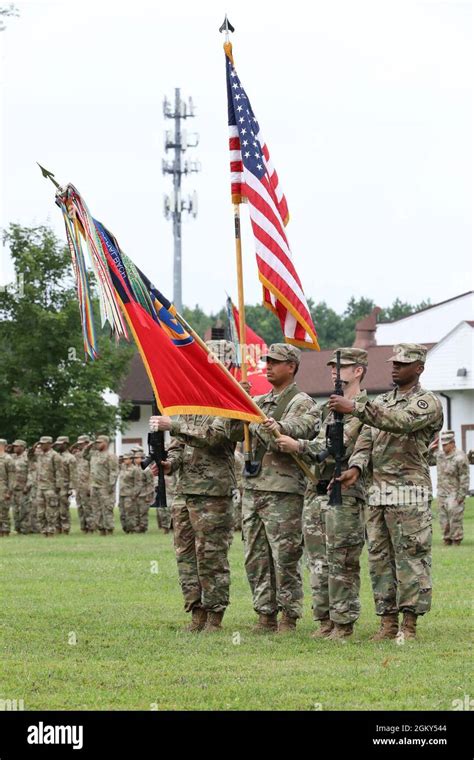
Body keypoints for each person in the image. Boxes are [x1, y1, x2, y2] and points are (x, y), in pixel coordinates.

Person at [329, 343, 443, 641]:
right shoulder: (382, 400)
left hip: (409, 492)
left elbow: (401, 424)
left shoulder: (426, 402)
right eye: (393, 362)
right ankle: (387, 622)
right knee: (380, 558)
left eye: (403, 363)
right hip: (377, 492)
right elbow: (367, 439)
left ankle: (409, 625)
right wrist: (355, 468)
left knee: (411, 556)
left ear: (418, 368)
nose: (395, 367)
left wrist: (355, 407)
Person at [276, 348, 368, 640]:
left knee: (342, 560)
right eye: (331, 367)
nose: (334, 371)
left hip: (345, 491)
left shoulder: (363, 409)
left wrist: (298, 446)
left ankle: (343, 623)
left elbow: (340, 446)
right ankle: (325, 620)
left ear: (358, 371)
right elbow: (319, 443)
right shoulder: (329, 410)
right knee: (317, 560)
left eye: (342, 367)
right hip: (317, 492)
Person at [149, 339, 238, 633]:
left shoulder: (230, 399)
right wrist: (168, 464)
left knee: (211, 555)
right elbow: (178, 446)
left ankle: (215, 615)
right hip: (185, 490)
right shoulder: (193, 400)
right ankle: (195, 611)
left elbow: (214, 437)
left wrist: (172, 425)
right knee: (185, 555)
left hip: (213, 493)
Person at [231, 343, 320, 633]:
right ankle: (265, 614)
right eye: (266, 361)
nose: (268, 366)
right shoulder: (258, 400)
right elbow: (231, 432)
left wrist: (252, 415)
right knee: (255, 556)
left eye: (276, 362)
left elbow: (278, 437)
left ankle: (288, 616)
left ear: (291, 366)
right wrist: (238, 403)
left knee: (285, 556)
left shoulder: (303, 403)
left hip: (283, 491)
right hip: (254, 488)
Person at [435, 430, 470, 546]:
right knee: (443, 520)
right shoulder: (440, 456)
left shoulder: (460, 457)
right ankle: (446, 540)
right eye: (442, 444)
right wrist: (430, 448)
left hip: (454, 493)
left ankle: (456, 541)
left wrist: (461, 496)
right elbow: (427, 459)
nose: (443, 447)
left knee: (455, 519)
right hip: (441, 493)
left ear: (452, 443)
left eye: (446, 444)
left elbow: (464, 478)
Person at [84, 435, 119, 535]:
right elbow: (84, 455)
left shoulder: (110, 456)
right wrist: (89, 446)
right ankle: (101, 529)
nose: (97, 444)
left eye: (99, 442)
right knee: (96, 509)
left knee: (107, 509)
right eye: (96, 442)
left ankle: (109, 529)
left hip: (105, 487)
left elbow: (114, 472)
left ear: (105, 443)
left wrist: (111, 486)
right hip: (94, 486)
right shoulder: (94, 454)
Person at [34, 436, 63, 536]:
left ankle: (50, 531)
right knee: (40, 512)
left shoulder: (55, 456)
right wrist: (35, 447)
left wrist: (58, 487)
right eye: (40, 443)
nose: (41, 445)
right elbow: (30, 455)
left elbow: (59, 472)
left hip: (50, 487)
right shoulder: (40, 455)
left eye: (43, 443)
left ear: (50, 444)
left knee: (51, 511)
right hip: (40, 487)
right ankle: (43, 531)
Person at [54, 436, 77, 534]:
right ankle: (57, 528)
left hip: (65, 485)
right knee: (54, 508)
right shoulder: (55, 456)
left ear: (66, 445)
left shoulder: (71, 458)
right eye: (57, 444)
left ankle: (65, 528)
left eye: (60, 444)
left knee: (63, 509)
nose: (58, 446)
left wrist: (71, 488)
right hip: (55, 485)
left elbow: (73, 474)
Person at [72, 435, 93, 533]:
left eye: (82, 444)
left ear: (87, 444)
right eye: (79, 444)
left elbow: (94, 472)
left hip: (87, 485)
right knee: (80, 507)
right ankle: (83, 527)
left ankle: (91, 527)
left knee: (88, 507)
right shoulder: (77, 455)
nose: (79, 446)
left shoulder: (91, 455)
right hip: (78, 485)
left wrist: (90, 486)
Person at [11, 439, 30, 534]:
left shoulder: (27, 457)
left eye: (16, 446)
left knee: (24, 509)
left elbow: (32, 472)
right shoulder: (12, 457)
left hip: (23, 488)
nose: (14, 448)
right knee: (15, 509)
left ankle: (24, 529)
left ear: (22, 447)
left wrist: (28, 485)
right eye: (14, 446)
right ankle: (17, 528)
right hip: (14, 487)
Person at [119, 452, 141, 533]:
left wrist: (135, 494)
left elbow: (138, 483)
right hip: (122, 494)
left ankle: (132, 529)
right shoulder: (122, 467)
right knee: (122, 513)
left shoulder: (135, 469)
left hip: (130, 494)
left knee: (130, 513)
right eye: (124, 459)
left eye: (126, 459)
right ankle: (125, 528)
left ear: (131, 460)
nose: (124, 460)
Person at [0, 438, 15, 536]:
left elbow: (12, 477)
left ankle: (5, 531)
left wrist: (9, 491)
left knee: (3, 511)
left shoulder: (8, 459)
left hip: (3, 488)